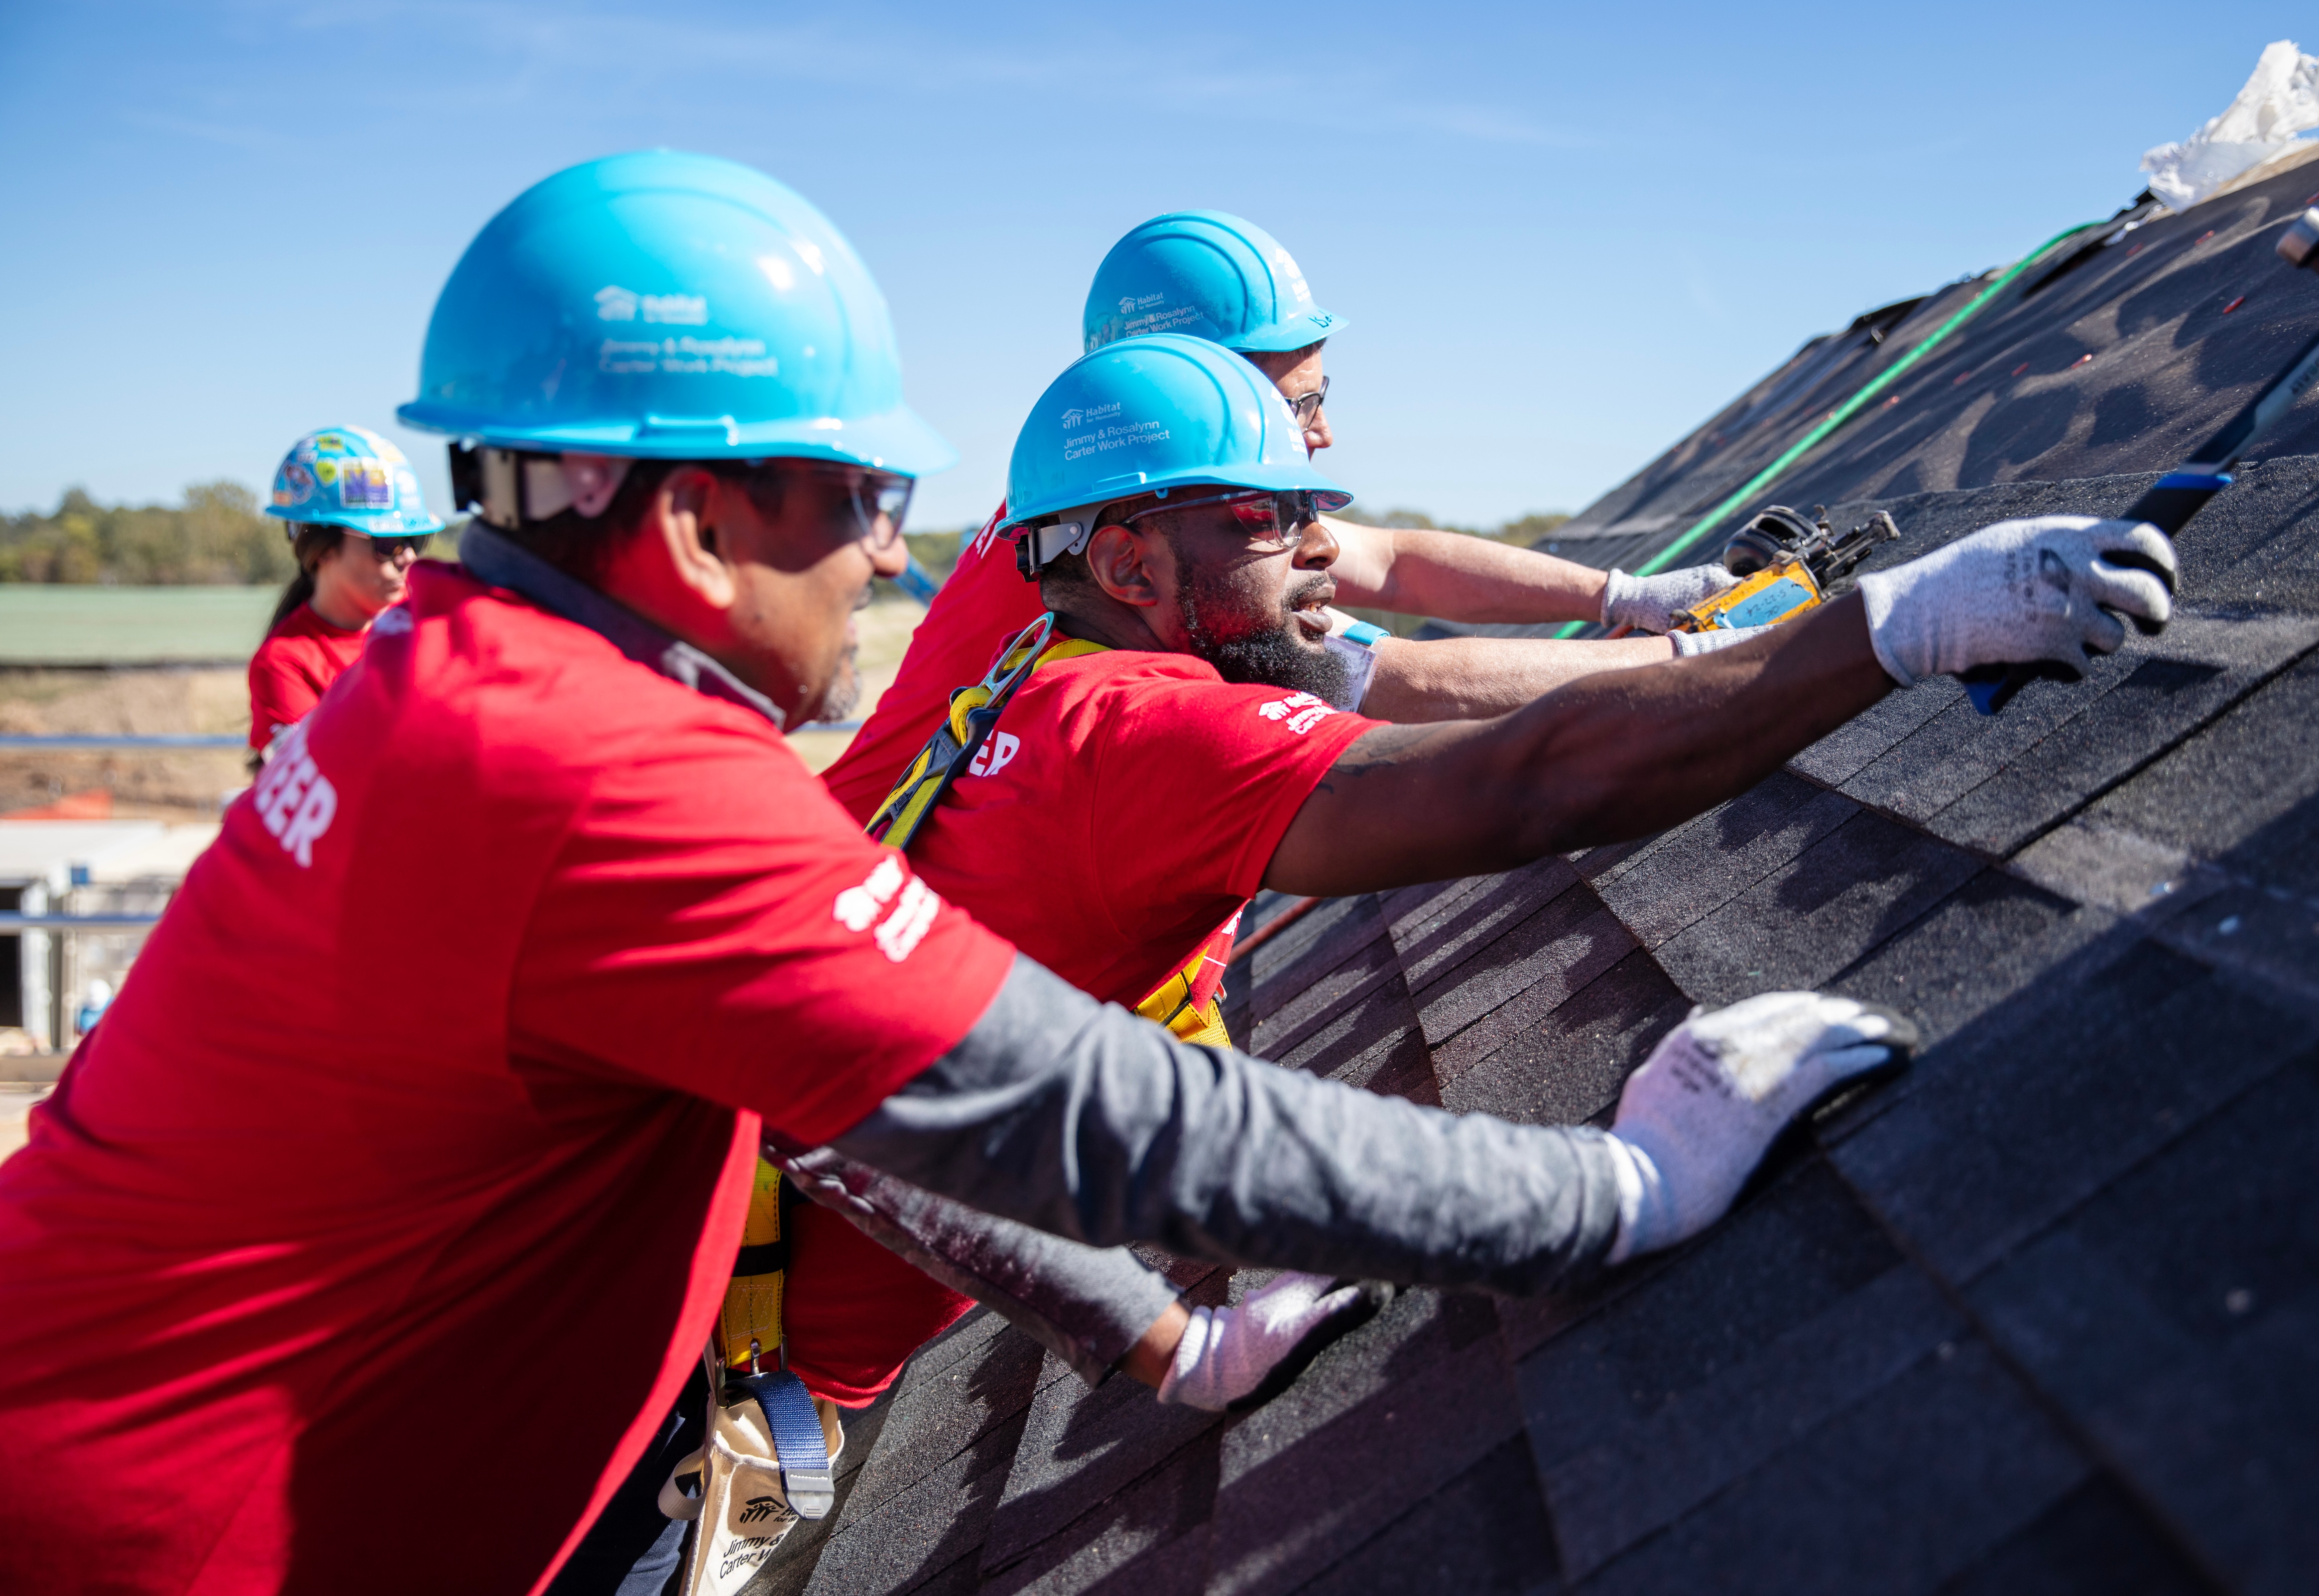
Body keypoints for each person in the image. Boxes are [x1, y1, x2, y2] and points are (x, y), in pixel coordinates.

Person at [0, 151, 1912, 1596]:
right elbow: (1102, 1117)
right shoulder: (601, 779)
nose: (897, 562)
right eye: (859, 497)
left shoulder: (448, 675)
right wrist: (1615, 1188)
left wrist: (1153, 1338)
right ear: (687, 517)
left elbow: (844, 1117)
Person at [773, 330, 2182, 1415]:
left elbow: (893, 1101)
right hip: (723, 1448)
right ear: (1134, 559)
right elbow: (1532, 778)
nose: (1313, 561)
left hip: (772, 1335)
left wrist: (1164, 1342)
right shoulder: (1142, 729)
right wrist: (1893, 626)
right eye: (1269, 526)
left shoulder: (1029, 683)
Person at [819, 207, 1740, 830]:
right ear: (1203, 388)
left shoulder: (1107, 490)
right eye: (1301, 401)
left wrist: (1633, 592)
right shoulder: (1161, 539)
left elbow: (1397, 562)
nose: (1324, 431)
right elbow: (1404, 679)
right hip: (867, 897)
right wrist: (1710, 656)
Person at [247, 425, 447, 758]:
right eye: (388, 543)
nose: (409, 557)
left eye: (414, 541)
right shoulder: (285, 664)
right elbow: (316, 783)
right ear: (322, 550)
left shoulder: (430, 618)